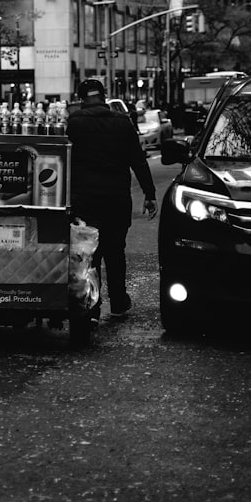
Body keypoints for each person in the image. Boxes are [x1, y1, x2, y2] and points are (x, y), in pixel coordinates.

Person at [66, 78, 157, 321]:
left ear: (82, 98)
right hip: (117, 200)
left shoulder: (73, 123)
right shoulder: (122, 123)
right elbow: (138, 160)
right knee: (116, 251)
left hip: (85, 200)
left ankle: (91, 306)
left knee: (89, 254)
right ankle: (118, 301)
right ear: (104, 97)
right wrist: (150, 194)